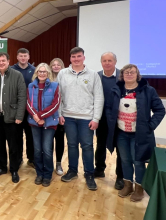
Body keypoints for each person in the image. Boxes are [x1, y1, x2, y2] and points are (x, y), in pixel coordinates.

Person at [106, 64, 165, 202]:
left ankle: (139, 189)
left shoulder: (148, 90)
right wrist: (111, 121)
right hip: (121, 133)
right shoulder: (116, 89)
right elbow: (109, 107)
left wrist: (150, 126)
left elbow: (160, 110)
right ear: (122, 75)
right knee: (125, 160)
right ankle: (128, 185)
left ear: (137, 74)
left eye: (132, 72)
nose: (129, 74)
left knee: (138, 162)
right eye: (126, 72)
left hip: (139, 135)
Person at [57, 47, 104, 191]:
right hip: (68, 117)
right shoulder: (62, 73)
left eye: (79, 56)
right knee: (71, 145)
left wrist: (96, 118)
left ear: (84, 57)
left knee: (87, 146)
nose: (76, 59)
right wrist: (59, 114)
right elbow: (58, 96)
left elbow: (99, 97)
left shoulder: (93, 75)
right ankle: (72, 171)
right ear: (70, 59)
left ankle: (89, 174)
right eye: (73, 57)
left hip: (86, 118)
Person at [0, 52, 26, 183]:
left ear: (8, 61)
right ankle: (2, 167)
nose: (1, 63)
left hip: (13, 118)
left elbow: (22, 97)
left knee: (14, 146)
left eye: (3, 60)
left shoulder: (17, 75)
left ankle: (14, 169)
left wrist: (20, 115)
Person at [26, 63, 60, 187]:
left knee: (47, 150)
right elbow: (28, 103)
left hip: (49, 123)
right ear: (36, 73)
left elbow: (55, 105)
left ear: (48, 73)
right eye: (40, 71)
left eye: (44, 72)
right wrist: (35, 116)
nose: (42, 73)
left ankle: (47, 174)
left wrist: (40, 116)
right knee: (37, 149)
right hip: (34, 123)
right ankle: (39, 173)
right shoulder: (31, 86)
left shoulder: (55, 86)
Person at [95, 52, 124, 190]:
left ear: (115, 62)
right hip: (101, 118)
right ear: (101, 62)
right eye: (104, 60)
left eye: (110, 60)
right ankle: (99, 169)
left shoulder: (122, 77)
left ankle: (120, 176)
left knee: (120, 148)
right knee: (100, 145)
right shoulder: (97, 76)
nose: (107, 63)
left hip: (119, 119)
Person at [11, 48, 35, 168]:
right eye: (21, 56)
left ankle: (31, 159)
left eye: (25, 56)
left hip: (30, 110)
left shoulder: (34, 70)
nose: (23, 58)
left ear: (28, 57)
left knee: (30, 136)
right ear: (17, 57)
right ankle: (19, 159)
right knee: (17, 136)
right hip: (16, 109)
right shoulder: (11, 69)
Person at [50, 58, 65, 176]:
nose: (55, 66)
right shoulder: (46, 79)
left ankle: (59, 163)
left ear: (62, 66)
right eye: (53, 65)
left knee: (59, 140)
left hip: (61, 115)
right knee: (48, 141)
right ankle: (49, 163)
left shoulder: (65, 78)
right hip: (49, 116)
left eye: (58, 65)